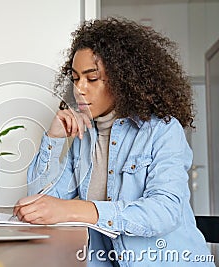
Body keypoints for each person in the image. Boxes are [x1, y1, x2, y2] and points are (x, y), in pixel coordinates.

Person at [13, 18, 214, 266]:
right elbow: (38, 201)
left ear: (122, 80)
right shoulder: (84, 136)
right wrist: (53, 139)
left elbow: (164, 211)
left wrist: (76, 210)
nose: (79, 89)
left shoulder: (162, 129)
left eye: (92, 78)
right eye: (75, 79)